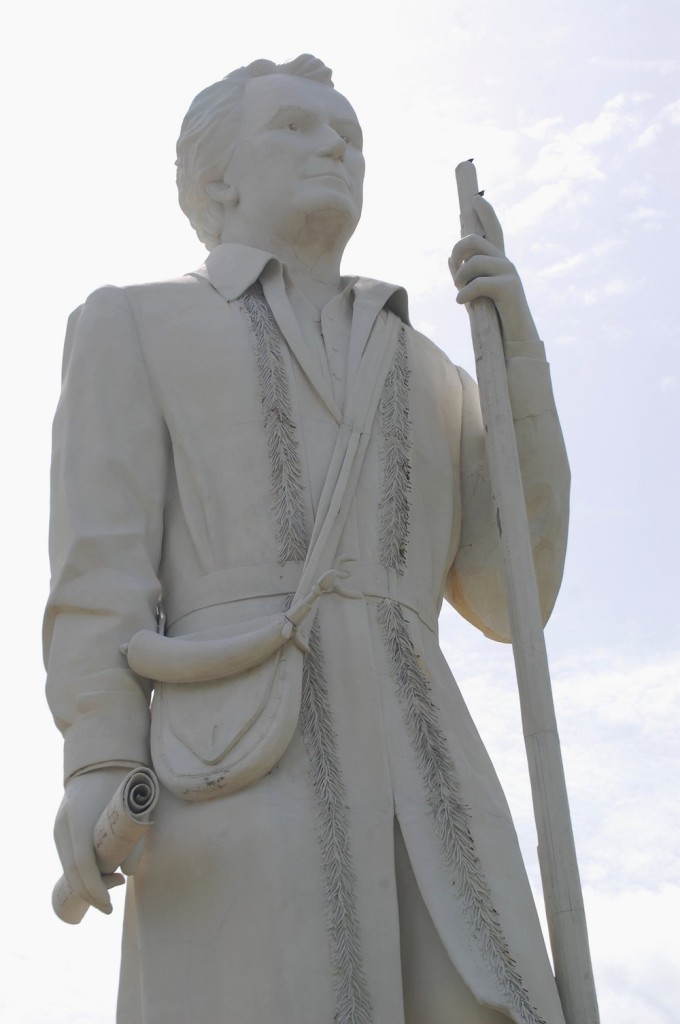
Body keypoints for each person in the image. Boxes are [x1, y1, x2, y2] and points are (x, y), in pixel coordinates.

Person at [45, 54, 570, 1024]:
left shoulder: (430, 368)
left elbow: (509, 600)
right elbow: (100, 572)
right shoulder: (135, 322)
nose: (335, 144)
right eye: (295, 126)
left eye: (349, 135)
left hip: (431, 774)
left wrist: (517, 365)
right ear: (218, 179)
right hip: (239, 762)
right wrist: (99, 760)